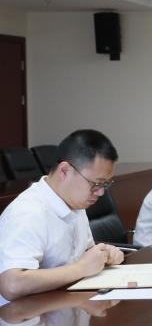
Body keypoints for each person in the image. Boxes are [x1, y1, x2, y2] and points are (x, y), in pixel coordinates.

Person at [0, 130, 125, 304]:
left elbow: (85, 253)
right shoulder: (27, 212)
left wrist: (104, 255)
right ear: (65, 170)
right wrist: (80, 268)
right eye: (96, 183)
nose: (101, 192)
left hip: (66, 306)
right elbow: (12, 285)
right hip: (26, 316)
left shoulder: (75, 203)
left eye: (106, 184)